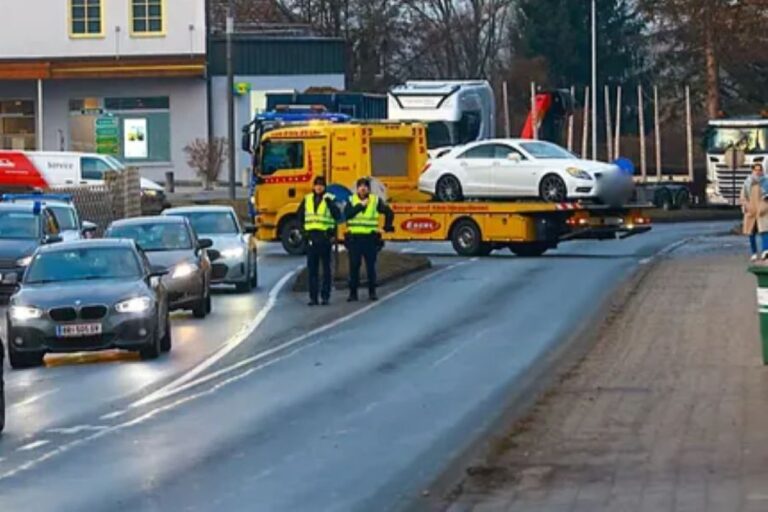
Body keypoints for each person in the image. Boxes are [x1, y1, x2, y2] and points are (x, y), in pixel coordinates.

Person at [344, 177, 395, 302]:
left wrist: (387, 226)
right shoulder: (352, 200)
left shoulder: (375, 201)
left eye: (365, 186)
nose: (363, 189)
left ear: (369, 189)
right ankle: (353, 293)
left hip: (370, 239)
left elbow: (389, 212)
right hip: (355, 239)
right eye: (360, 186)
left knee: (371, 267)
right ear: (357, 189)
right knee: (354, 267)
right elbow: (347, 214)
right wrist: (359, 206)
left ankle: (372, 292)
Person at [296, 176, 341, 305]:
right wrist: (304, 233)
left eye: (321, 185)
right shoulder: (307, 199)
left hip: (324, 238)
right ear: (313, 186)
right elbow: (300, 217)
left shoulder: (330, 199)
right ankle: (313, 297)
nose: (319, 187)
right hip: (311, 238)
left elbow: (337, 215)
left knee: (326, 270)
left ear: (325, 187)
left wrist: (330, 204)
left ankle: (325, 296)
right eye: (317, 185)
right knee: (312, 270)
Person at [741, 163, 768, 261]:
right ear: (752, 171)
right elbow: (743, 197)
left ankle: (765, 251)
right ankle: (754, 253)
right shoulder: (747, 183)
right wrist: (747, 206)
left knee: (765, 231)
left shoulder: (766, 182)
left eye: (760, 170)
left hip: (763, 212)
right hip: (751, 211)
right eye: (756, 170)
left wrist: (764, 206)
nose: (758, 172)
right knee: (751, 232)